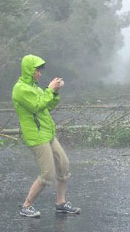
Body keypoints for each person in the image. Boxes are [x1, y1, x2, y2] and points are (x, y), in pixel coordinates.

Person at [12, 54, 81, 218]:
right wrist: (49, 89)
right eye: (37, 70)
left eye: (40, 70)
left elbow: (47, 106)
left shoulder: (35, 88)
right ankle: (26, 206)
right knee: (47, 174)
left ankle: (61, 203)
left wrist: (55, 92)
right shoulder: (20, 89)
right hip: (36, 137)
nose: (40, 73)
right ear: (29, 70)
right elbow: (37, 106)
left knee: (63, 165)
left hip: (47, 133)